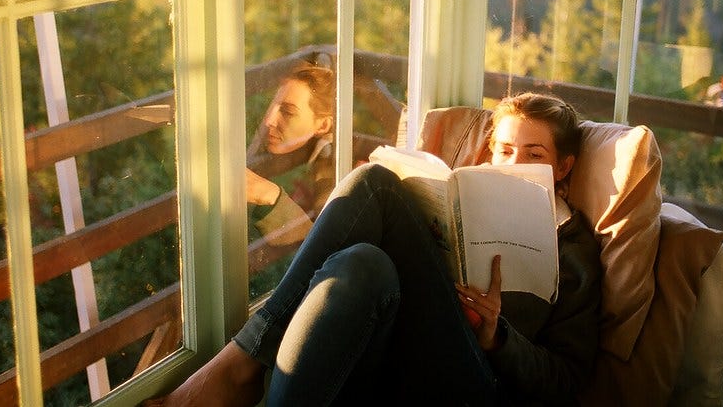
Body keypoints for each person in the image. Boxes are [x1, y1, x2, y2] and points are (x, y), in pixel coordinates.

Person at [152, 92, 601, 406]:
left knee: (374, 187)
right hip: (405, 349)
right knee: (360, 264)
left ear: (563, 166)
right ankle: (247, 376)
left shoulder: (576, 251)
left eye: (534, 154)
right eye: (504, 150)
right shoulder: (469, 204)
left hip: (478, 387)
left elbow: (566, 381)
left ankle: (240, 366)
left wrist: (498, 337)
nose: (514, 164)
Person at [246, 65, 335, 247]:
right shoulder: (285, 151)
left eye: (287, 112)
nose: (268, 120)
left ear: (323, 126)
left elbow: (328, 251)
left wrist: (270, 196)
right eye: (273, 105)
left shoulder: (333, 172)